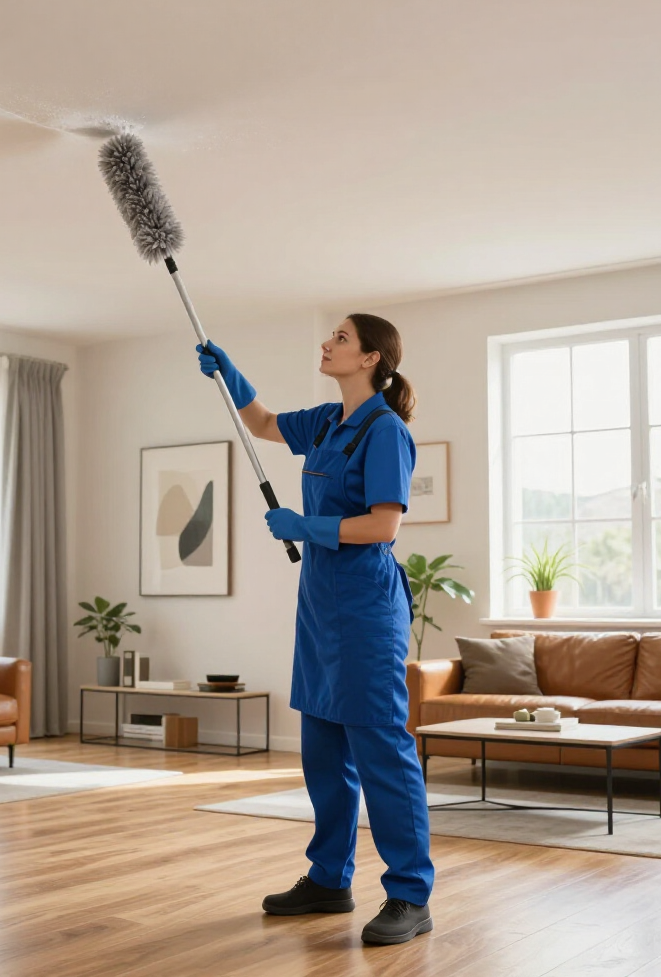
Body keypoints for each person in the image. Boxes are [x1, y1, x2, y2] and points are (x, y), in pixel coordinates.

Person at [197, 313, 434, 946]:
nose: (326, 345)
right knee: (324, 756)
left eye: (340, 339)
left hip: (365, 609)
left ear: (371, 359)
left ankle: (410, 894)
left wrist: (309, 527)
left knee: (382, 751)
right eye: (329, 335)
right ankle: (329, 878)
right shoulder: (329, 422)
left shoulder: (385, 431)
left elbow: (384, 527)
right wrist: (231, 376)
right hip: (320, 608)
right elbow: (267, 425)